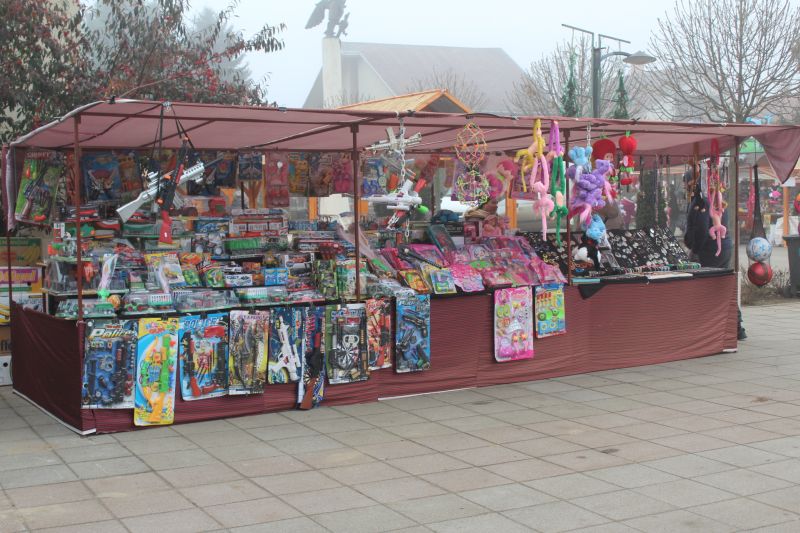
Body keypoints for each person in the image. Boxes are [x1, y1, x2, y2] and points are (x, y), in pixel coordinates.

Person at [684, 191, 746, 340]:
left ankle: (717, 326)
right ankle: (737, 327)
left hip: (710, 250)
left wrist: (695, 249)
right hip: (723, 247)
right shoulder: (717, 199)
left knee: (709, 288)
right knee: (722, 286)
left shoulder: (702, 202)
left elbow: (702, 228)